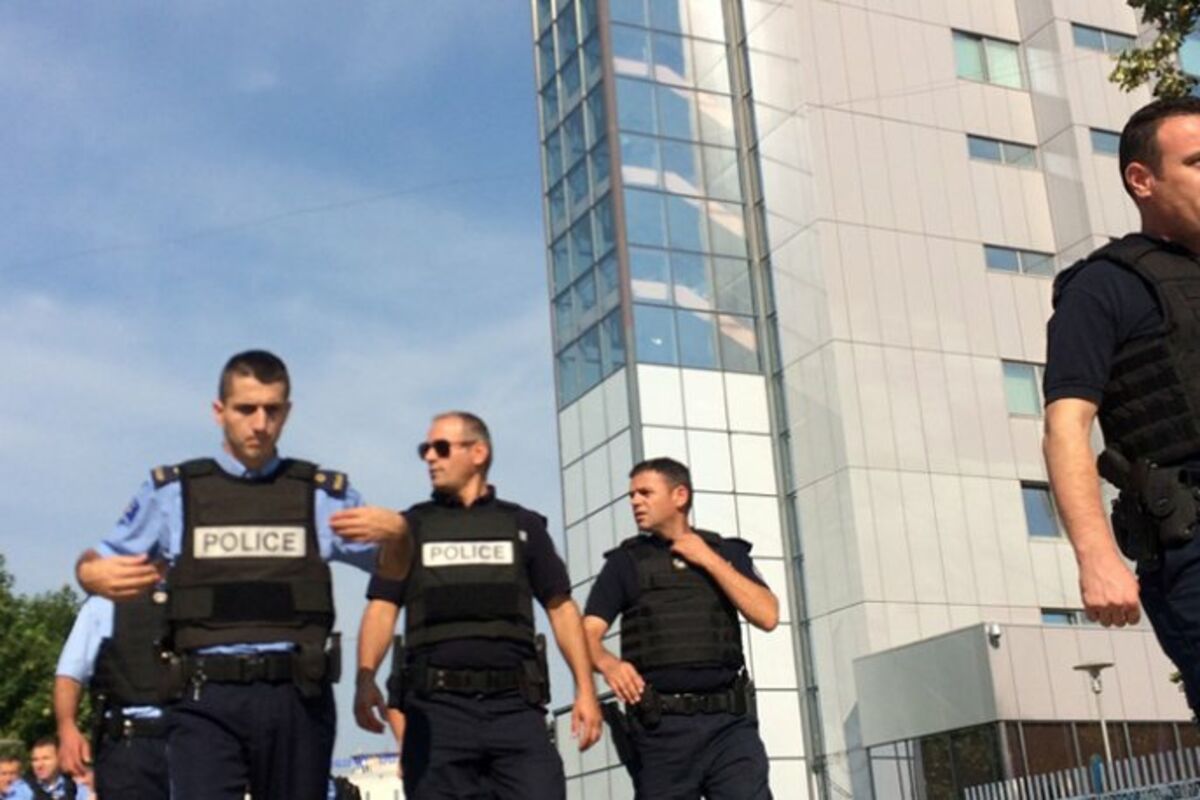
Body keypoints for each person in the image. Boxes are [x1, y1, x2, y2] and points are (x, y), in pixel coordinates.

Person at [73, 350, 404, 800]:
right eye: (246, 409)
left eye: (272, 410)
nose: (260, 423)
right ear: (219, 411)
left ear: (287, 412)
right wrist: (89, 572)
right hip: (204, 697)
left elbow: (392, 574)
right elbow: (99, 558)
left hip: (296, 696)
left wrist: (400, 536)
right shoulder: (174, 494)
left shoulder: (319, 496)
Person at [347, 410, 602, 799]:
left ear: (478, 452)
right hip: (436, 715)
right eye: (425, 449)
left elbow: (561, 608)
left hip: (515, 709)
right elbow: (382, 607)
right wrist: (364, 680)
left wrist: (586, 689)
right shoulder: (410, 528)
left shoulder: (523, 526)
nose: (430, 457)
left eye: (441, 447)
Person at [1044, 96, 1200, 712]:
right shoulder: (1104, 286)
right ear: (1143, 179)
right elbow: (1066, 428)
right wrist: (1096, 557)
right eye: (1197, 162)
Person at [583, 458, 778, 799]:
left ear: (679, 495)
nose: (635, 501)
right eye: (632, 495)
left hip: (729, 726)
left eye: (645, 493)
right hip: (661, 731)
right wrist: (608, 663)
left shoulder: (725, 552)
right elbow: (585, 635)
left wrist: (709, 559)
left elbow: (768, 615)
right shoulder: (625, 563)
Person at [54, 593, 170, 799]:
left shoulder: (190, 595)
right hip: (128, 745)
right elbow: (70, 675)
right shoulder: (103, 604)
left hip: (190, 739)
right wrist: (67, 727)